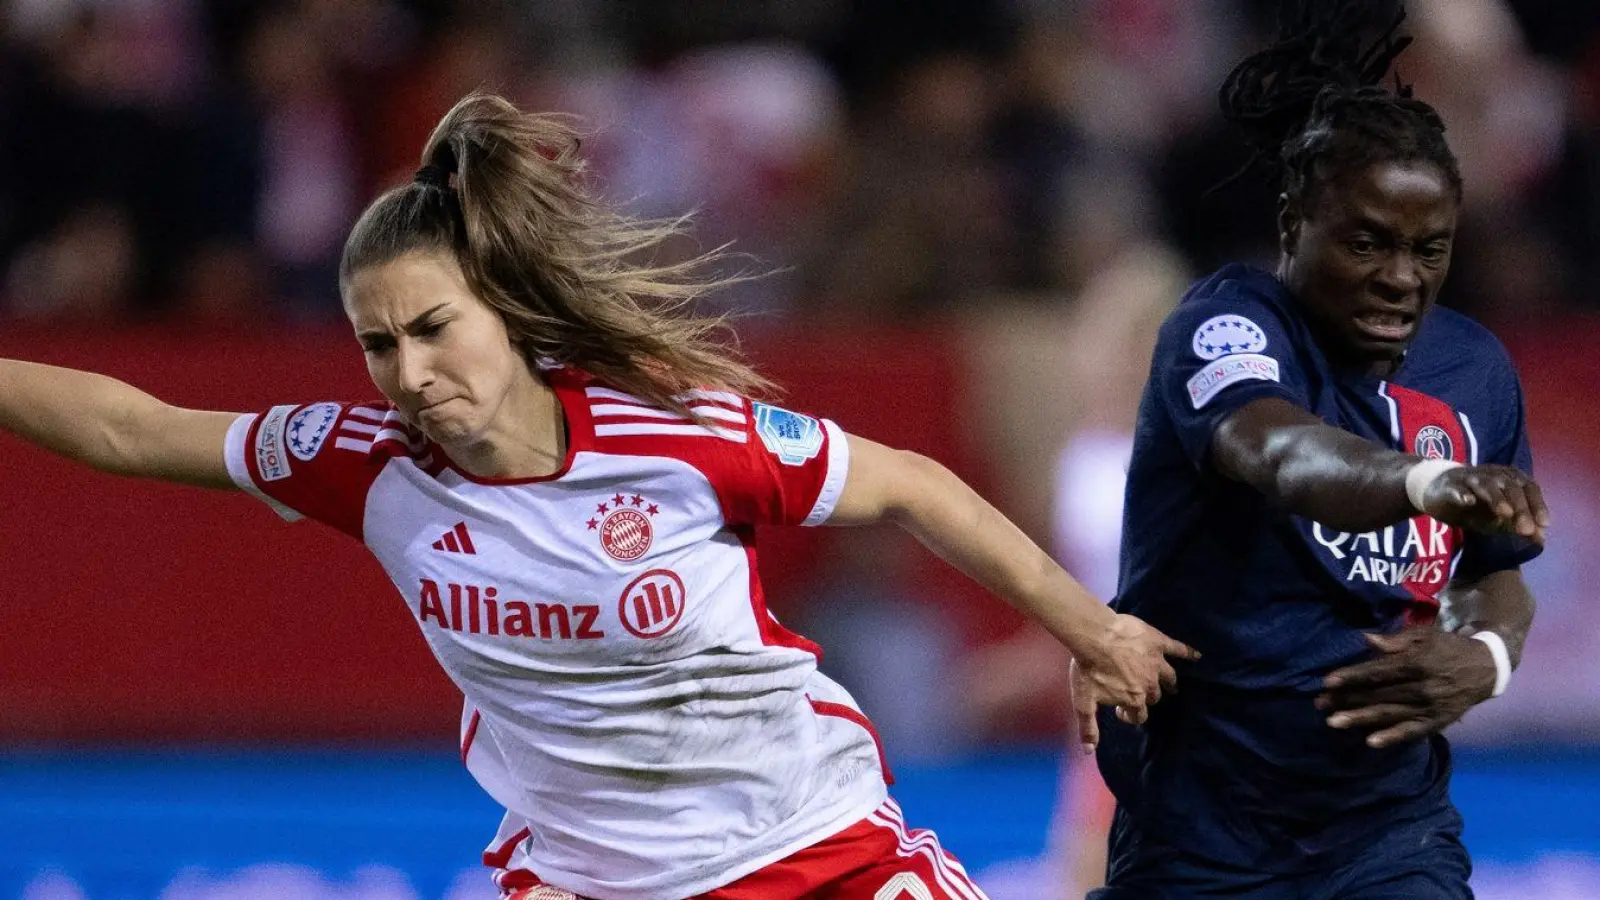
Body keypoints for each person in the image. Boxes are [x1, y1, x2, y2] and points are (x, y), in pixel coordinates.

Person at [0, 93, 1196, 900]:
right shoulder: (362, 463)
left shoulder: (673, 434)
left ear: (507, 316)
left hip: (811, 847)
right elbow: (129, 426)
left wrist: (1088, 632)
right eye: (376, 345)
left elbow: (911, 486)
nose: (408, 374)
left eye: (432, 330)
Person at [1081, 2, 1549, 898]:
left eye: (1428, 249)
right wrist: (1431, 483)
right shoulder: (1227, 327)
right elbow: (1289, 459)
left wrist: (1485, 654)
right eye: (1368, 242)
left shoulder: (1474, 370)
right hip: (1200, 840)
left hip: (1386, 832)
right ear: (1295, 222)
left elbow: (1497, 575)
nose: (1400, 278)